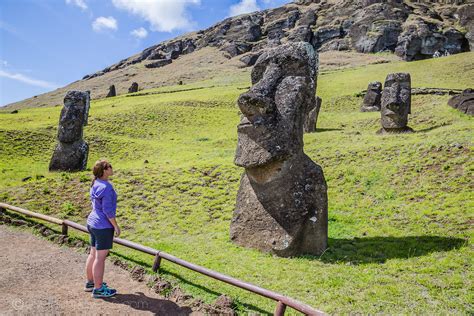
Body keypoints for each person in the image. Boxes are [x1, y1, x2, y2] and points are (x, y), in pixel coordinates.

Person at [84, 159, 121, 298]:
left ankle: (90, 283)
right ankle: (98, 289)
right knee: (100, 258)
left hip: (92, 223)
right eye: (109, 166)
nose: (112, 168)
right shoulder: (106, 187)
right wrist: (115, 226)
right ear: (104, 171)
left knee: (93, 254)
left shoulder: (95, 183)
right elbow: (108, 210)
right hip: (103, 226)